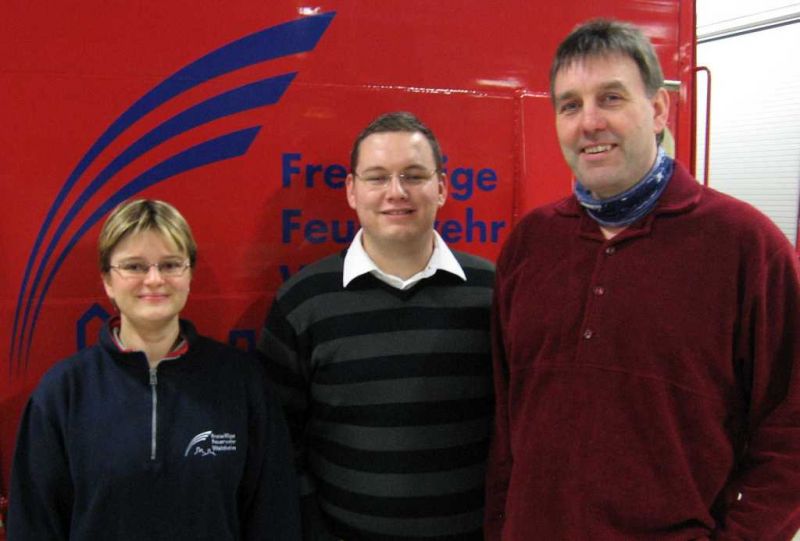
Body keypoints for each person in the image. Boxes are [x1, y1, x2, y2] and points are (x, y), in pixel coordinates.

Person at [485, 19, 800, 541]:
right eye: (569, 105)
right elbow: (506, 425)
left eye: (610, 98)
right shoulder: (530, 244)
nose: (589, 122)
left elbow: (790, 427)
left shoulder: (748, 247)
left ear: (657, 110)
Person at [258, 112, 495, 540]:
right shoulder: (303, 302)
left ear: (442, 187)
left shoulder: (494, 293)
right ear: (351, 190)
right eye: (377, 177)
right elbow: (277, 441)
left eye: (414, 175)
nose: (396, 192)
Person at [7, 199, 301, 540]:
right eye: (134, 266)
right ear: (106, 280)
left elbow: (274, 516)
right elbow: (32, 524)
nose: (154, 279)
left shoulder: (242, 382)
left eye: (171, 264)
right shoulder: (63, 392)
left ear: (189, 273)